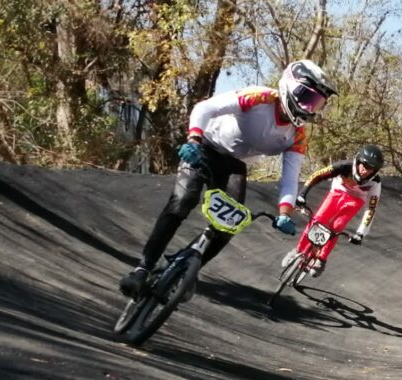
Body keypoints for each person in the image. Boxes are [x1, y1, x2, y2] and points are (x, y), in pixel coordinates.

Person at [119, 60, 338, 297]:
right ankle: (142, 268)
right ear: (288, 85)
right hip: (204, 147)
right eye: (305, 97)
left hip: (234, 166)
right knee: (182, 201)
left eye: (316, 103)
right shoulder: (259, 97)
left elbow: (289, 179)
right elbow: (205, 108)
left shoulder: (298, 135)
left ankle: (185, 273)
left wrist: (285, 212)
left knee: (230, 224)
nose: (308, 108)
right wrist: (194, 138)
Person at [280, 145, 384, 277]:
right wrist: (302, 195)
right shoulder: (343, 166)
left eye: (370, 168)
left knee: (336, 227)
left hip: (355, 201)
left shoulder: (375, 182)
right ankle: (298, 250)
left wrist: (361, 232)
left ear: (375, 171)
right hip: (337, 192)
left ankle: (321, 260)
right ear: (357, 161)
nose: (365, 170)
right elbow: (317, 175)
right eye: (364, 165)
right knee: (317, 220)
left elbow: (371, 208)